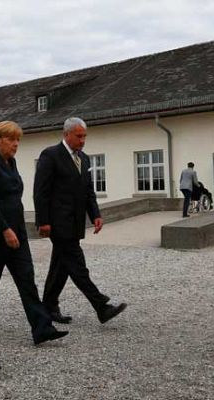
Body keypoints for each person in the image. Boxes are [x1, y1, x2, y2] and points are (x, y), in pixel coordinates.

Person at [0, 121, 69, 345]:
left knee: (27, 279)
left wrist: (17, 230)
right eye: (12, 139)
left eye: (18, 140)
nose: (16, 144)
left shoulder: (11, 162)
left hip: (17, 232)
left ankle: (42, 328)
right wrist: (5, 230)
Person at [33, 117, 126, 325]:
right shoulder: (51, 155)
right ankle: (101, 306)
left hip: (75, 222)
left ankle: (48, 306)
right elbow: (41, 192)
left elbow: (88, 191)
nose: (83, 140)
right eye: (79, 136)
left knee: (61, 266)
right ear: (66, 135)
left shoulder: (83, 158)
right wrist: (43, 221)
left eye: (84, 136)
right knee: (77, 265)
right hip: (58, 223)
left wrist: (96, 215)